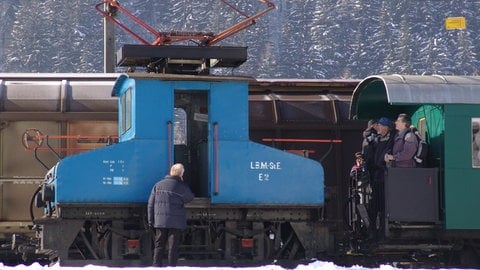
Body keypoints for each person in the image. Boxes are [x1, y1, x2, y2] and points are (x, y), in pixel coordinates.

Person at [148, 163, 195, 267]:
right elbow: (190, 198)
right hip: (175, 222)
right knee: (173, 247)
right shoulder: (181, 187)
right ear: (181, 174)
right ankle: (171, 266)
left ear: (171, 172)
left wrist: (151, 220)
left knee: (159, 245)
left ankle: (156, 265)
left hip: (160, 221)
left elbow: (150, 204)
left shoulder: (158, 185)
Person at [368, 116, 394, 239]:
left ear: (386, 127)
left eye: (380, 125)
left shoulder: (390, 140)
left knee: (383, 205)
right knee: (375, 205)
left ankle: (382, 231)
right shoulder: (378, 139)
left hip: (383, 176)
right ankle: (373, 230)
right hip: (377, 175)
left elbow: (382, 158)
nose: (378, 127)